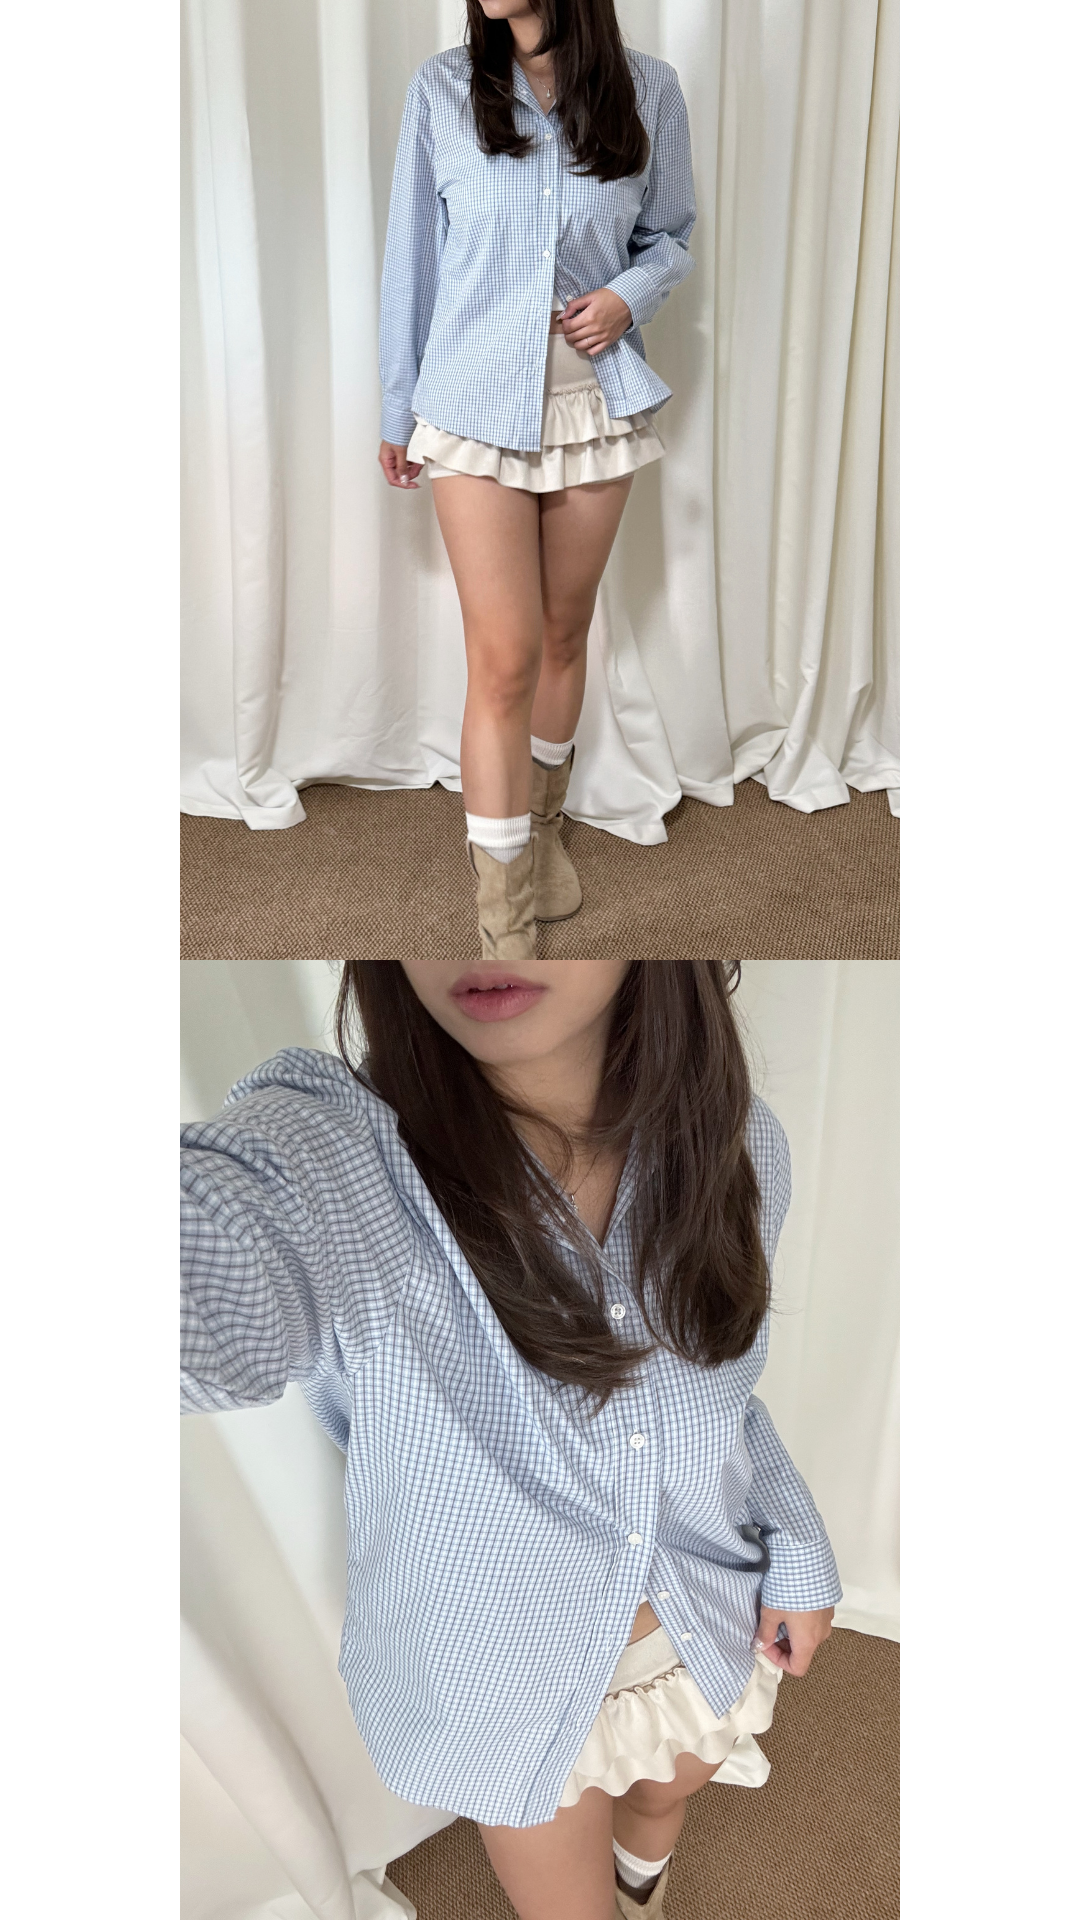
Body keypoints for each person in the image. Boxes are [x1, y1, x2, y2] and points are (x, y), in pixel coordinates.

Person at [181, 961, 840, 1920]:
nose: (486, 929)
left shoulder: (738, 1147)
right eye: (441, 890)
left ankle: (642, 1880)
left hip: (706, 1624)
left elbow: (724, 1396)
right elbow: (208, 1260)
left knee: (664, 1801)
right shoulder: (335, 1162)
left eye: (542, 888)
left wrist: (798, 1544)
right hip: (502, 1693)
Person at [378, 3, 697, 957]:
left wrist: (627, 297)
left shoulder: (650, 91)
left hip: (594, 404)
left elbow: (670, 236)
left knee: (564, 634)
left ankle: (544, 830)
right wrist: (398, 408)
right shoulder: (442, 90)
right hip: (471, 405)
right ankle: (504, 916)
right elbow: (412, 260)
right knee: (506, 655)